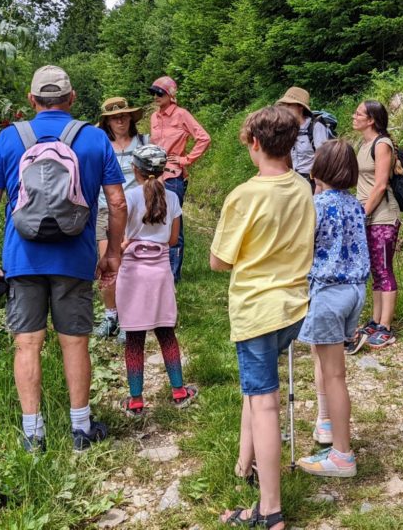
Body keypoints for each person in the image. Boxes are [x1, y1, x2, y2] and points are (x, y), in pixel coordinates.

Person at [0, 65, 127, 453]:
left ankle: (33, 434)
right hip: (75, 257)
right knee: (74, 343)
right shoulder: (93, 138)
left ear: (32, 100)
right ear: (72, 99)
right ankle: (80, 429)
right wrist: (113, 252)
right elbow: (118, 201)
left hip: (22, 258)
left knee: (27, 343)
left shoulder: (10, 138)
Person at [210, 106, 315, 530]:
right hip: (293, 308)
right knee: (256, 391)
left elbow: (219, 261)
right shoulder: (303, 188)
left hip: (257, 311)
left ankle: (269, 510)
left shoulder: (245, 195)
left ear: (255, 143)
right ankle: (244, 462)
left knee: (265, 401)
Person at [295, 139, 368, 478]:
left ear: (318, 169)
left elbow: (302, 245)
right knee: (325, 357)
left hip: (327, 290)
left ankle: (342, 453)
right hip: (354, 290)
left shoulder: (317, 204)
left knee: (335, 373)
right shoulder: (355, 205)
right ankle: (326, 423)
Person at [116, 144, 198, 416]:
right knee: (166, 332)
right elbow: (174, 240)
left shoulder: (129, 197)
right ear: (163, 170)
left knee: (134, 337)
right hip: (160, 271)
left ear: (135, 169)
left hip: (133, 271)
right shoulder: (173, 199)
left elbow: (118, 236)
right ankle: (178, 390)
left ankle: (136, 400)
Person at [93, 97, 149, 343]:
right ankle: (110, 316)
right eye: (114, 117)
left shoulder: (145, 142)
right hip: (105, 210)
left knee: (133, 267)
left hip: (137, 212)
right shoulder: (99, 145)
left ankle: (130, 319)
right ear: (106, 122)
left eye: (124, 116)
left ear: (130, 118)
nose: (120, 120)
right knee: (107, 265)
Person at [348, 99, 401, 352]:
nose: (354, 116)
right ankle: (376, 320)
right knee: (375, 270)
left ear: (371, 120)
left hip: (382, 216)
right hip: (368, 214)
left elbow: (380, 185)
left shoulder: (382, 144)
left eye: (359, 114)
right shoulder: (365, 143)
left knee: (383, 268)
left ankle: (386, 327)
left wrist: (362, 214)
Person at [148, 75, 211, 283]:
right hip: (155, 176)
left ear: (170, 95)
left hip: (174, 176)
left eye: (160, 92)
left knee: (174, 225)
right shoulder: (154, 118)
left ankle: (174, 277)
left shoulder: (182, 114)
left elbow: (204, 138)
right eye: (153, 92)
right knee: (155, 222)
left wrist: (186, 159)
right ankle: (159, 270)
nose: (156, 96)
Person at [276, 86, 331, 186]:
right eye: (284, 105)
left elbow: (323, 159)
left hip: (312, 181)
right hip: (292, 179)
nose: (285, 109)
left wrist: (319, 187)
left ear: (300, 107)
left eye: (289, 105)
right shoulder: (286, 128)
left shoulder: (315, 126)